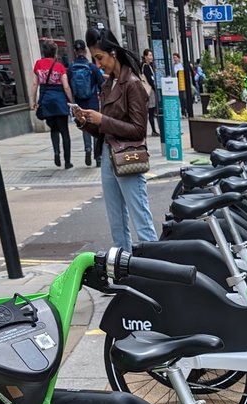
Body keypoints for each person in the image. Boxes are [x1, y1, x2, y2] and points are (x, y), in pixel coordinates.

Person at [75, 28, 158, 250]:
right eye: (94, 59)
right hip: (108, 154)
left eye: (99, 57)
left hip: (128, 156)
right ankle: (124, 266)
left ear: (113, 53)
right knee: (116, 223)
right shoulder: (107, 85)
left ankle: (156, 266)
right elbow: (105, 130)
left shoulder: (132, 83)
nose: (97, 64)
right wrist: (85, 122)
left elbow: (138, 130)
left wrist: (102, 119)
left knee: (142, 223)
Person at [31, 39, 74, 168]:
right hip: (60, 101)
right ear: (55, 52)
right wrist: (71, 101)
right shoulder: (60, 66)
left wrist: (33, 101)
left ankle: (56, 152)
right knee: (64, 131)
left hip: (46, 101)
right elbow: (66, 87)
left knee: (53, 129)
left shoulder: (38, 64)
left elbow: (35, 84)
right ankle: (67, 161)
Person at [69, 40, 103, 165]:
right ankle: (97, 156)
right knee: (95, 126)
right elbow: (102, 84)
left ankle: (88, 149)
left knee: (84, 126)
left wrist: (72, 101)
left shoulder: (71, 68)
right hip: (92, 101)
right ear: (85, 50)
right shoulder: (92, 67)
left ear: (75, 51)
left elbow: (68, 86)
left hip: (79, 102)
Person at [141, 48, 159, 137]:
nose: (151, 57)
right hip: (149, 90)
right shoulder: (145, 66)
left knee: (151, 111)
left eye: (151, 55)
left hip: (150, 90)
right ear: (145, 56)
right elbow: (149, 79)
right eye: (150, 55)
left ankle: (154, 130)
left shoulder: (149, 66)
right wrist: (154, 88)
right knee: (151, 111)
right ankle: (153, 130)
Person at [172, 52, 187, 117]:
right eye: (173, 58)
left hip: (183, 83)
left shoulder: (182, 65)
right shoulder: (173, 66)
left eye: (175, 57)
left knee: (184, 98)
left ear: (178, 58)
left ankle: (186, 110)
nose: (174, 59)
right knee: (181, 98)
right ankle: (183, 112)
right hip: (177, 84)